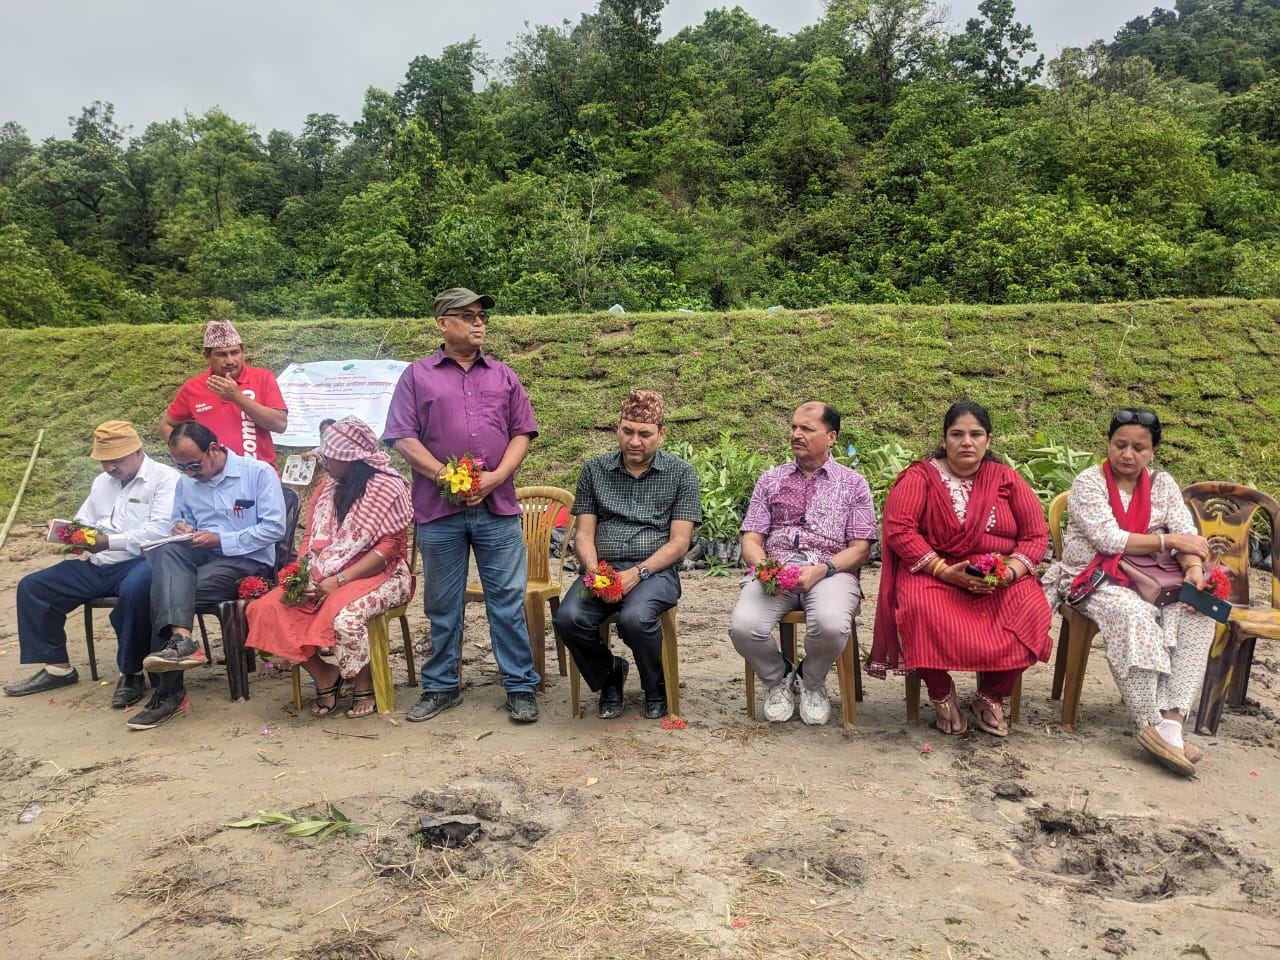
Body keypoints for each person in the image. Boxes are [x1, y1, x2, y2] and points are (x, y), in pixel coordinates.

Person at [382, 287, 542, 724]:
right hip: (439, 509)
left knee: (507, 600)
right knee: (442, 602)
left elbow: (521, 433)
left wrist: (495, 478)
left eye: (482, 316)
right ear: (442, 323)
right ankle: (442, 686)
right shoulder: (417, 376)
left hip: (497, 506)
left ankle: (520, 685)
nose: (478, 323)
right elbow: (401, 436)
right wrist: (441, 475)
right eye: (468, 315)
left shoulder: (503, 375)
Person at [1041, 408, 1214, 777]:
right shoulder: (1090, 483)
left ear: (1152, 452)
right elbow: (1108, 538)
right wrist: (1170, 540)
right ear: (1108, 443)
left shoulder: (1163, 484)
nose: (1128, 454)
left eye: (1139, 447)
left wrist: (1195, 571)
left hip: (1153, 578)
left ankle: (1171, 722)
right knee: (1133, 615)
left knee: (1198, 611)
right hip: (1095, 578)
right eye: (1120, 444)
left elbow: (1188, 534)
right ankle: (1148, 721)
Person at [868, 401, 1052, 737]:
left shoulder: (1007, 479)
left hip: (999, 580)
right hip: (936, 575)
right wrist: (942, 569)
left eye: (975, 434)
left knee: (1034, 609)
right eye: (957, 434)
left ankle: (990, 694)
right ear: (944, 439)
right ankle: (940, 692)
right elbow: (899, 530)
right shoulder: (920, 477)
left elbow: (1036, 535)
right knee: (917, 608)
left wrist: (1008, 574)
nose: (966, 442)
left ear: (988, 440)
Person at [247, 416, 414, 719]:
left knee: (343, 615)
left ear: (352, 459)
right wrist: (302, 575)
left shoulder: (389, 488)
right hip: (325, 572)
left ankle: (363, 679)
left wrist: (340, 579)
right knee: (268, 607)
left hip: (381, 574)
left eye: (330, 458)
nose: (324, 463)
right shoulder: (326, 489)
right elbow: (310, 538)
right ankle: (325, 675)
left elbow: (389, 549)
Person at [3, 421, 179, 708]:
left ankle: (131, 672)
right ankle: (58, 668)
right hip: (99, 562)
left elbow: (158, 532)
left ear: (138, 451)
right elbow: (85, 522)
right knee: (34, 587)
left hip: (143, 561)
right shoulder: (102, 483)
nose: (110, 467)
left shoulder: (165, 479)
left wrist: (106, 541)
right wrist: (65, 531)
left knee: (136, 590)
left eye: (116, 460)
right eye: (104, 461)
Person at [552, 390, 703, 720]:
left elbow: (679, 543)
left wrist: (638, 573)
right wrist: (595, 572)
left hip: (655, 572)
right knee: (567, 618)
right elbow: (584, 535)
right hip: (602, 567)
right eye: (627, 431)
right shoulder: (595, 470)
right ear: (617, 429)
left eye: (644, 434)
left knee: (636, 619)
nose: (635, 441)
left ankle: (655, 685)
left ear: (661, 434)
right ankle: (610, 674)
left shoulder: (681, 474)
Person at [128, 420, 286, 730]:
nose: (189, 474)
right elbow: (178, 521)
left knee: (163, 592)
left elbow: (274, 528)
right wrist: (181, 529)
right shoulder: (186, 483)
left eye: (194, 465)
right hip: (201, 558)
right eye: (182, 467)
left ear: (214, 449)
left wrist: (220, 539)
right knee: (167, 552)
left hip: (247, 562)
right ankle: (182, 640)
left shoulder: (257, 473)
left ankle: (169, 694)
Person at [729, 403, 877, 725]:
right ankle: (779, 677)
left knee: (829, 623)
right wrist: (768, 569)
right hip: (776, 571)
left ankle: (811, 682)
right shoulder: (770, 480)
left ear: (832, 437)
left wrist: (822, 570)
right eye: (794, 427)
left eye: (807, 429)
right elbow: (751, 540)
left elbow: (860, 548)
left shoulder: (854, 484)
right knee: (743, 627)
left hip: (831, 572)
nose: (796, 434)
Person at [160, 319, 288, 466]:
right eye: (221, 354)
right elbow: (167, 425)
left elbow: (280, 424)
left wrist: (237, 397)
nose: (230, 360)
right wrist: (189, 458)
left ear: (242, 352)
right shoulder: (193, 387)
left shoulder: (262, 378)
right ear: (206, 356)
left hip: (259, 476)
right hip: (213, 478)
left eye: (235, 352)